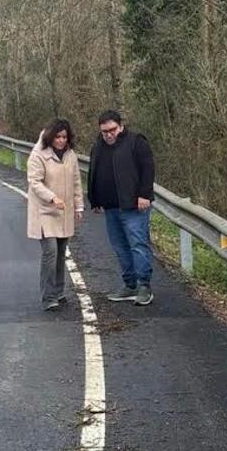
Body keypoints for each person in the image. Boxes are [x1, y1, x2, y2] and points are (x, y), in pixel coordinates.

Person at [87, 110, 156, 306]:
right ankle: (130, 285)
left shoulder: (136, 142)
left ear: (121, 126)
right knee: (120, 247)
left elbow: (148, 168)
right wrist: (95, 199)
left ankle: (144, 286)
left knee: (138, 244)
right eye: (104, 131)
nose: (109, 135)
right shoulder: (98, 146)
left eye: (112, 130)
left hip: (133, 205)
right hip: (110, 207)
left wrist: (144, 194)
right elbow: (93, 172)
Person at [27, 118, 83, 312]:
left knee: (61, 253)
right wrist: (52, 198)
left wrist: (79, 207)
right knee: (50, 252)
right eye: (57, 137)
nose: (61, 140)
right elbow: (35, 182)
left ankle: (59, 291)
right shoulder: (38, 154)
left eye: (64, 137)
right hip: (44, 211)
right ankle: (48, 296)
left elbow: (76, 182)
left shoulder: (71, 155)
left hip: (63, 212)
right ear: (50, 136)